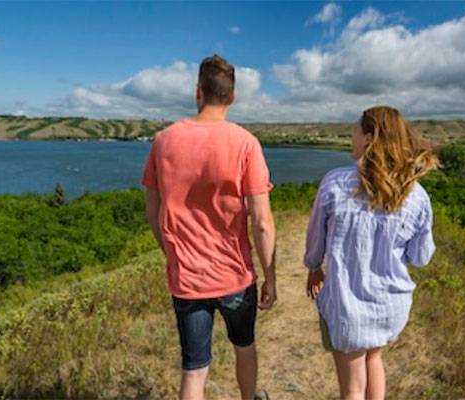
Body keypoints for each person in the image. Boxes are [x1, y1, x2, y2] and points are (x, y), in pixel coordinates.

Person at [142, 54, 276, 400]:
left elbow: (153, 211)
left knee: (195, 369)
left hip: (187, 278)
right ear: (232, 97)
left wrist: (172, 253)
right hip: (236, 277)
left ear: (197, 92)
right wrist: (270, 276)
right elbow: (261, 221)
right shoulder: (246, 143)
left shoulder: (163, 141)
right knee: (244, 346)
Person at [303, 106, 438, 400]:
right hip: (390, 304)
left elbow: (316, 237)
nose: (351, 137)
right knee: (374, 358)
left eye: (354, 130)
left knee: (352, 387)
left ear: (368, 137)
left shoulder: (335, 183)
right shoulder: (415, 193)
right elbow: (420, 257)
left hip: (346, 304)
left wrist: (314, 266)